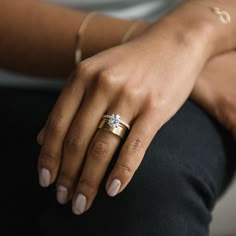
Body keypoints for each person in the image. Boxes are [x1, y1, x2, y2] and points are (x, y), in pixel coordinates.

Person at [1, 0, 236, 235]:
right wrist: (172, 51)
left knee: (147, 182)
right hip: (13, 77)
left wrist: (196, 35)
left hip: (199, 55)